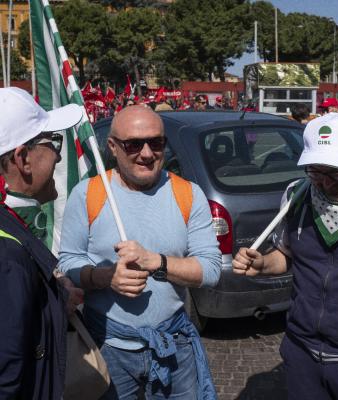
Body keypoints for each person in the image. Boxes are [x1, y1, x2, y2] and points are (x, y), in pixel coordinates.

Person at [233, 112, 338, 400]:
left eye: (337, 171)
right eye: (315, 171)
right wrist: (261, 264)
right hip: (303, 354)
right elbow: (286, 255)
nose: (326, 183)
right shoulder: (296, 197)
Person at [58, 105, 221, 399]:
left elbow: (209, 271)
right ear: (112, 147)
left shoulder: (188, 193)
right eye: (133, 144)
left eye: (156, 142)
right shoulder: (88, 193)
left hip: (174, 345)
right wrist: (105, 277)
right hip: (108, 346)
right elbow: (69, 260)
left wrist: (155, 263)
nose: (147, 154)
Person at [0, 87, 83, 399]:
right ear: (23, 158)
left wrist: (54, 300)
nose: (60, 154)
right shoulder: (7, 255)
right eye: (53, 143)